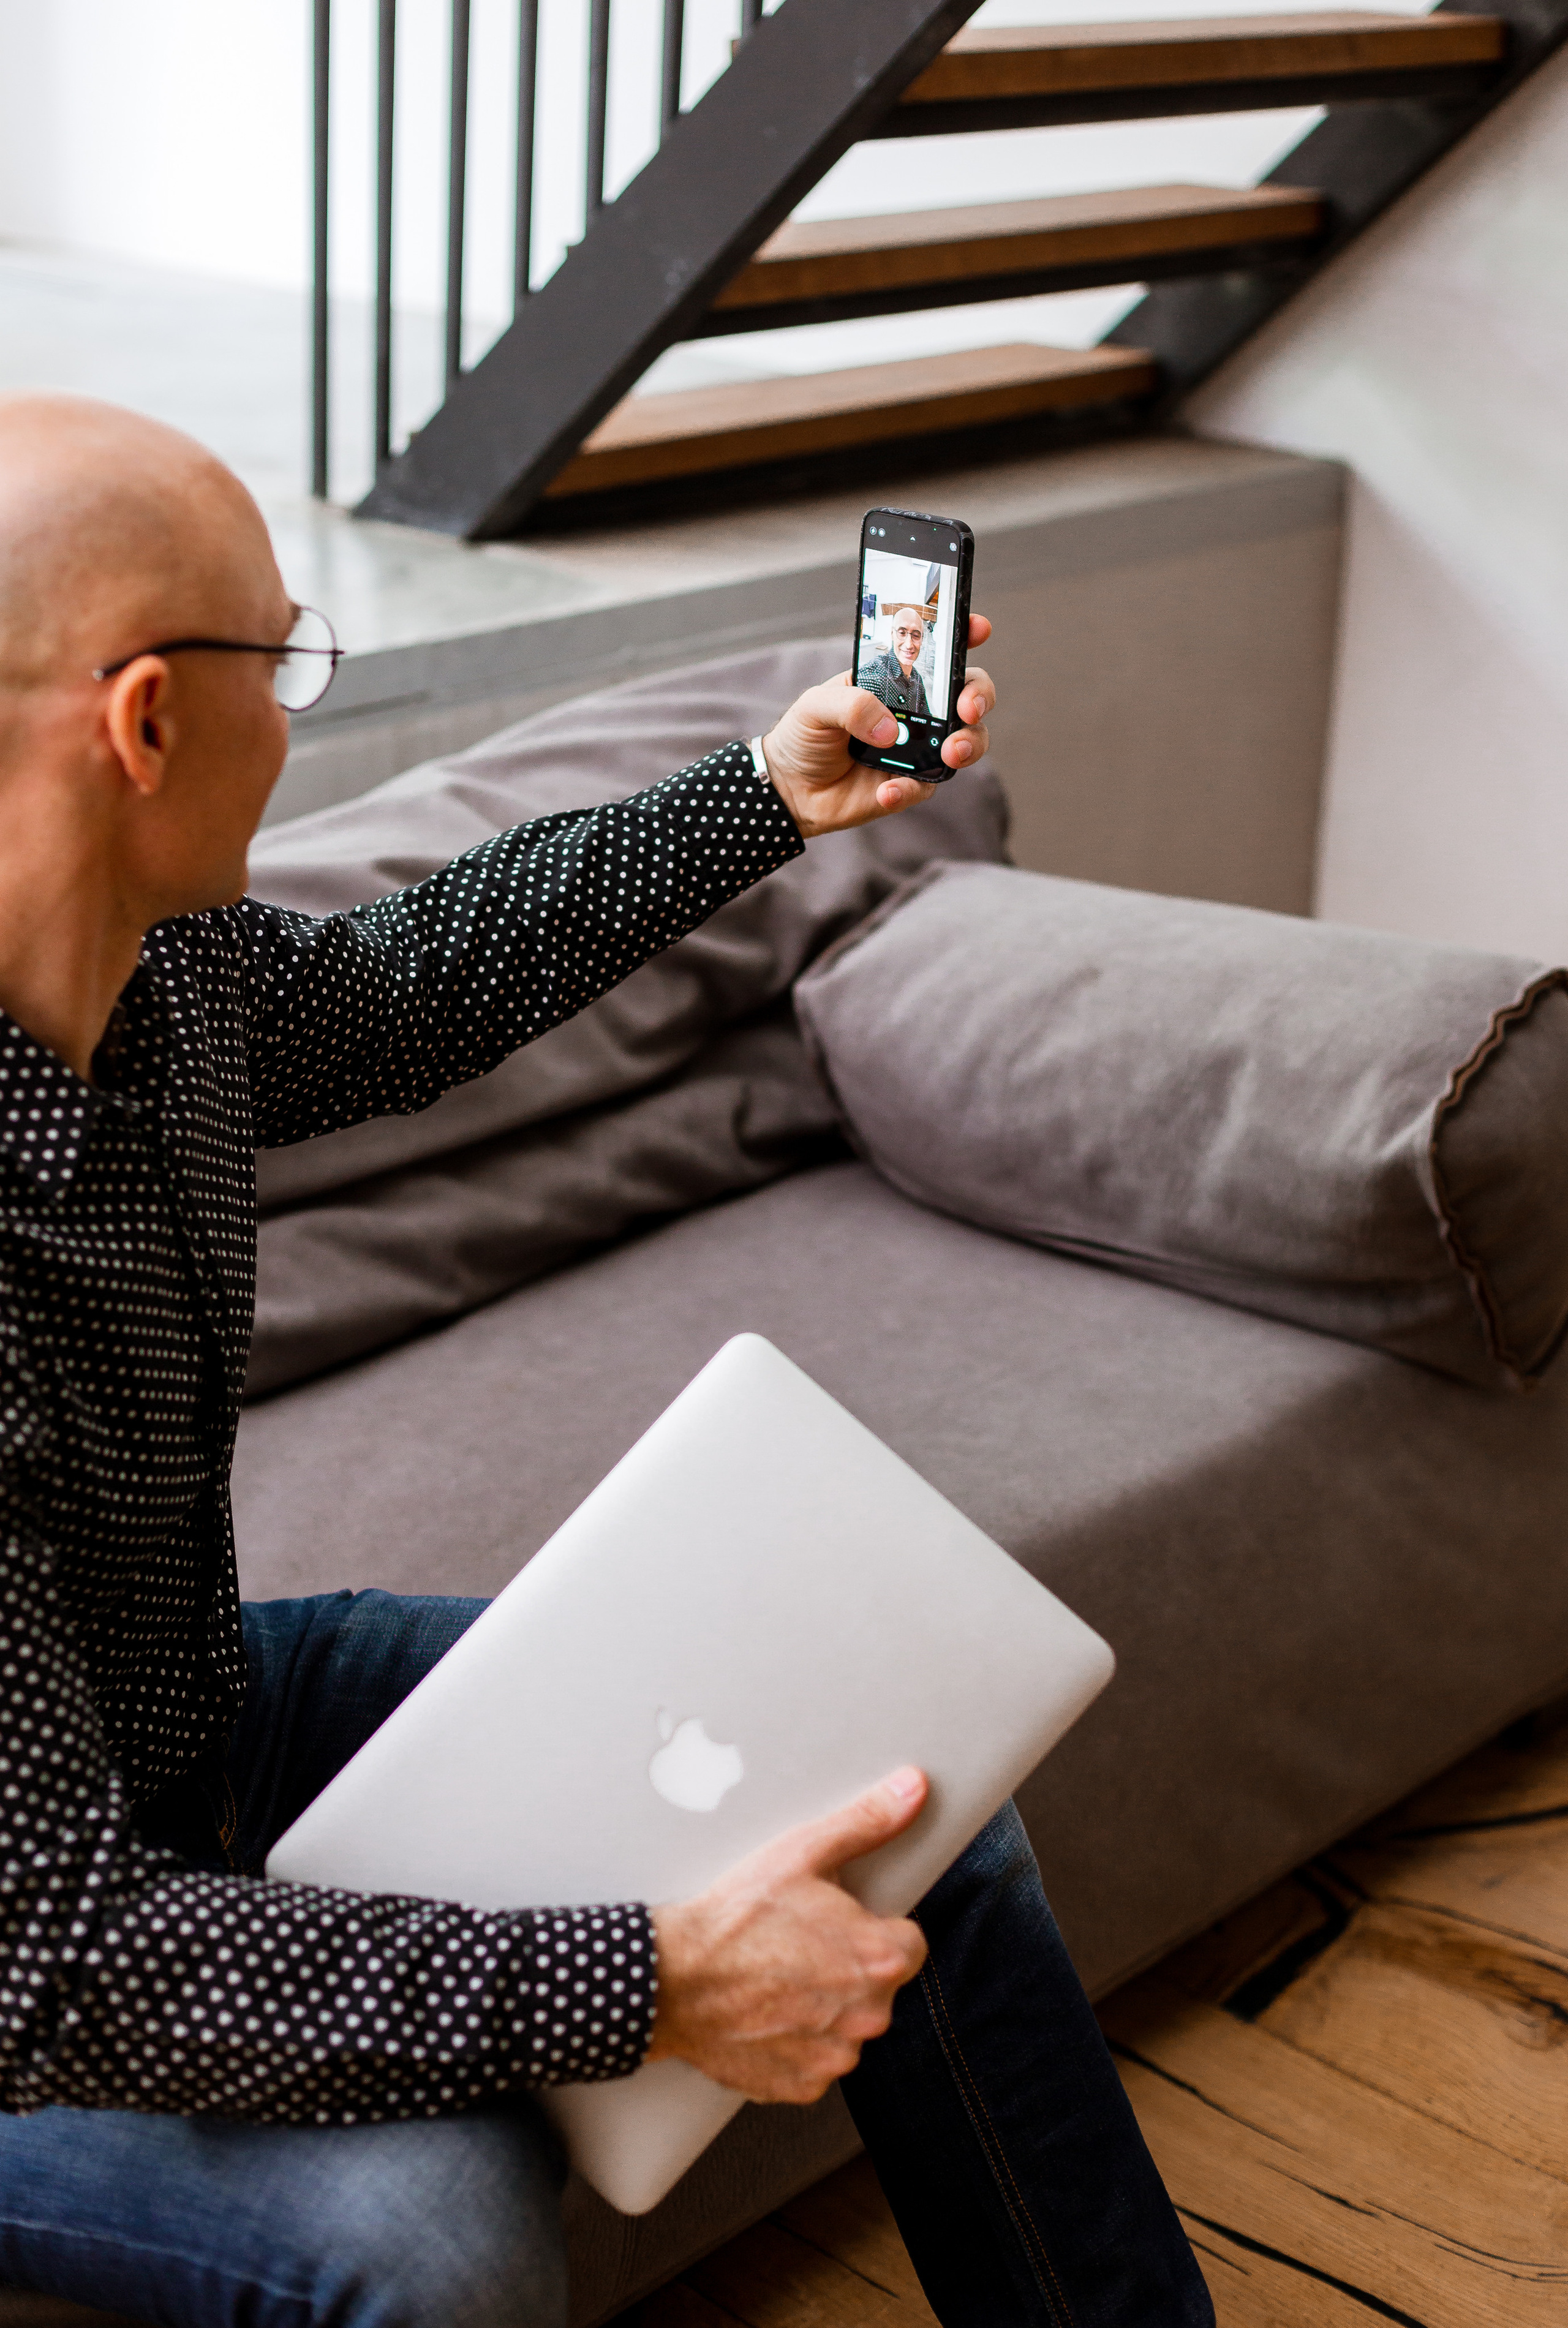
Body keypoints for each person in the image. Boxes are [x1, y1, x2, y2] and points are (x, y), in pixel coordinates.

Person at [0, 394, 1212, 2328]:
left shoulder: (164, 981)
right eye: (283, 655)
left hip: (170, 1718)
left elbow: (405, 990)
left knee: (904, 1794)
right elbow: (44, 1956)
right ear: (145, 722)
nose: (297, 713)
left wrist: (765, 792)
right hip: (27, 1936)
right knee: (433, 2236)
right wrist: (650, 1972)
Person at [858, 603, 933, 720]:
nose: (909, 645)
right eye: (902, 633)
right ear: (892, 634)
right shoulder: (874, 677)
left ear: (922, 640)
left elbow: (926, 718)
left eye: (916, 635)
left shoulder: (917, 679)